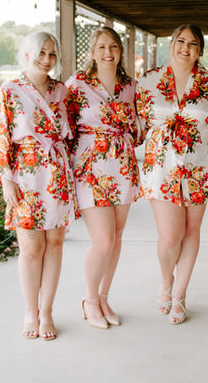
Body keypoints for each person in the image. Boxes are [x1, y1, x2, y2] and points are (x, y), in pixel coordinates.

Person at [0, 31, 75, 341]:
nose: (47, 60)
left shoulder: (61, 91)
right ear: (28, 54)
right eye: (41, 53)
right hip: (26, 175)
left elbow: (71, 136)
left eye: (52, 54)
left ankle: (47, 312)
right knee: (32, 248)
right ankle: (30, 311)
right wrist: (6, 180)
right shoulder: (10, 90)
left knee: (55, 244)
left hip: (55, 173)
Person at [135, 24, 208, 324]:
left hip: (200, 166)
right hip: (161, 167)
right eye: (181, 41)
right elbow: (135, 123)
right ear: (171, 43)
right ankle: (166, 282)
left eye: (194, 44)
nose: (186, 48)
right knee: (170, 236)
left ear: (201, 50)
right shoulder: (148, 79)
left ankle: (181, 295)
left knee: (191, 233)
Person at [65, 27, 139, 330]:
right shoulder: (77, 84)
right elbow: (65, 127)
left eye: (114, 47)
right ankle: (90, 300)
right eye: (102, 48)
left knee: (117, 237)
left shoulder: (129, 86)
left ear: (120, 51)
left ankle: (104, 297)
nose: (108, 53)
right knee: (103, 239)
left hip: (121, 165)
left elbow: (139, 124)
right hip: (90, 166)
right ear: (92, 52)